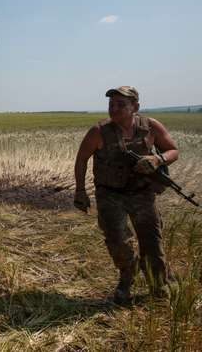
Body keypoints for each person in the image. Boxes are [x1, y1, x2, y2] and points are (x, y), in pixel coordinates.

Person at [73, 86, 179, 304]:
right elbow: (82, 159)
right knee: (118, 241)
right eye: (111, 104)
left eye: (121, 104)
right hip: (110, 195)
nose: (114, 109)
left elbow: (173, 150)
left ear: (135, 107)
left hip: (142, 194)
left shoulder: (151, 127)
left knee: (152, 242)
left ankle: (159, 286)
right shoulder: (98, 132)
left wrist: (157, 160)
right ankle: (127, 276)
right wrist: (81, 191)